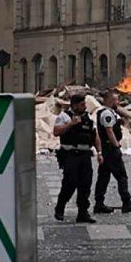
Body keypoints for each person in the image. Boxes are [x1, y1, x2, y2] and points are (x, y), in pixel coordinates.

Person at [53, 93, 102, 223]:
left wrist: (99, 152)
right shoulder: (64, 116)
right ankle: (60, 207)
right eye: (82, 104)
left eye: (85, 104)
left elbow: (95, 136)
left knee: (85, 184)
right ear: (74, 105)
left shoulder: (88, 118)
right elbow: (56, 131)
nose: (84, 107)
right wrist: (70, 124)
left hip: (85, 155)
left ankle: (83, 212)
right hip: (70, 155)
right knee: (70, 183)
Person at [94, 90, 131, 214]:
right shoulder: (107, 113)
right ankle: (127, 202)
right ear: (110, 101)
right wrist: (116, 146)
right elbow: (109, 131)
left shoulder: (106, 112)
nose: (118, 102)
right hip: (110, 150)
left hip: (106, 150)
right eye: (116, 100)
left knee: (103, 177)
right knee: (121, 176)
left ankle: (99, 204)